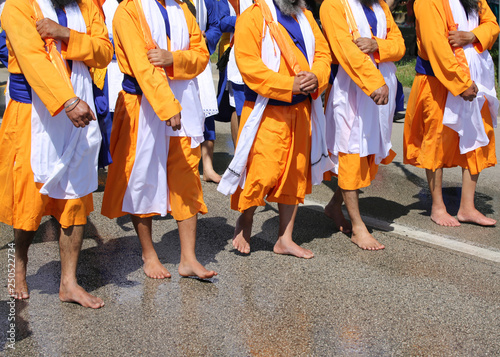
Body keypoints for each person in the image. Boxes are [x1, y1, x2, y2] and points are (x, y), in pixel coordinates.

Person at [0, 0, 112, 308]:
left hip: (79, 110)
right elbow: (32, 58)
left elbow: (104, 52)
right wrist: (67, 101)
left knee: (75, 202)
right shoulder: (17, 6)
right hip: (35, 114)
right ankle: (19, 263)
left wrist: (65, 34)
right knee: (29, 200)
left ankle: (69, 283)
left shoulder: (87, 5)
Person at [101, 0, 217, 279]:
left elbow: (201, 55)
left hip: (184, 103)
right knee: (142, 177)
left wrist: (173, 59)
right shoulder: (127, 10)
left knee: (187, 179)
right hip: (142, 105)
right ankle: (148, 254)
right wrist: (166, 105)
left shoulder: (182, 9)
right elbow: (142, 65)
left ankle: (188, 258)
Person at [217, 0, 332, 258]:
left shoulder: (306, 17)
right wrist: (289, 84)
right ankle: (245, 220)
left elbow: (323, 54)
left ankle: (285, 239)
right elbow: (250, 67)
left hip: (302, 108)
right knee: (262, 172)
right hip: (267, 109)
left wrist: (317, 77)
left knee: (294, 174)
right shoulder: (252, 17)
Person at [404, 0, 499, 227]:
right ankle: (438, 206)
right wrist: (460, 82)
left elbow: (492, 24)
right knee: (436, 142)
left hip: (474, 78)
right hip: (438, 81)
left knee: (476, 139)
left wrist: (472, 36)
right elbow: (435, 44)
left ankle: (467, 207)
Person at [320, 0, 405, 250]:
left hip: (381, 88)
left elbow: (399, 46)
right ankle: (358, 227)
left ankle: (335, 205)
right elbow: (345, 49)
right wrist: (373, 81)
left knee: (366, 153)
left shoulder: (380, 5)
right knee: (351, 152)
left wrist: (378, 45)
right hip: (351, 90)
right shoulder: (332, 5)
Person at [189, 0, 223, 183]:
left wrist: (205, 38)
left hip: (200, 58)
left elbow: (215, 25)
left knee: (206, 114)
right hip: (175, 59)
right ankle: (187, 166)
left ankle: (208, 167)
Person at [214, 0, 251, 147]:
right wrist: (250, 17)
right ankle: (238, 158)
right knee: (238, 107)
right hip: (238, 57)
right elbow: (221, 22)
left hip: (263, 57)